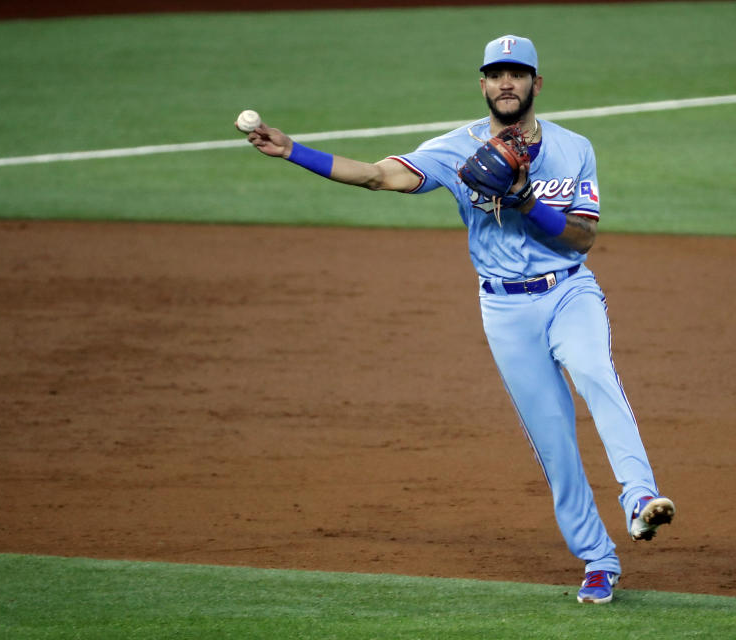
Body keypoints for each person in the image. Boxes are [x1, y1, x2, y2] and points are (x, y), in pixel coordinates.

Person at [243, 34, 675, 605]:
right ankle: (598, 559)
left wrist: (525, 199)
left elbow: (582, 237)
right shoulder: (455, 148)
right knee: (553, 440)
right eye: (496, 74)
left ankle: (640, 499)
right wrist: (294, 149)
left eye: (517, 74)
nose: (506, 83)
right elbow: (377, 175)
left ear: (535, 84)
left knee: (595, 372)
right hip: (503, 308)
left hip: (569, 291)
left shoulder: (574, 149)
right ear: (482, 84)